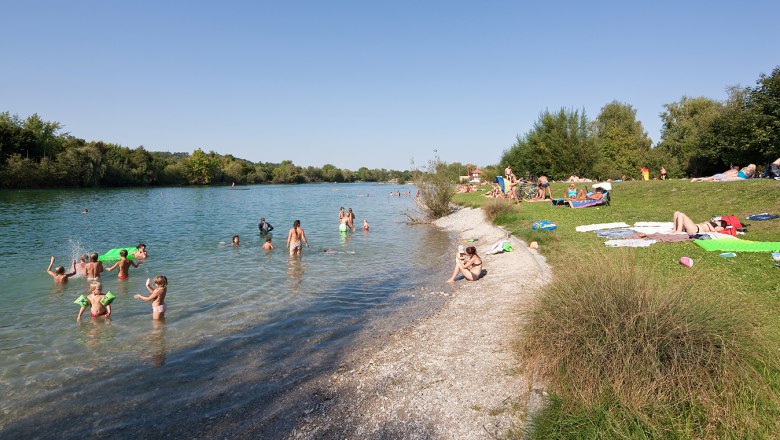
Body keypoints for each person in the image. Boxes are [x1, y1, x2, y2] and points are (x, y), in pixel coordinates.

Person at [691, 164, 756, 181]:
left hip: (726, 175)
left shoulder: (743, 170)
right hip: (728, 177)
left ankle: (698, 179)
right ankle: (698, 179)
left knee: (712, 177)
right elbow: (735, 177)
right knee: (713, 178)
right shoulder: (748, 173)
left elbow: (734, 175)